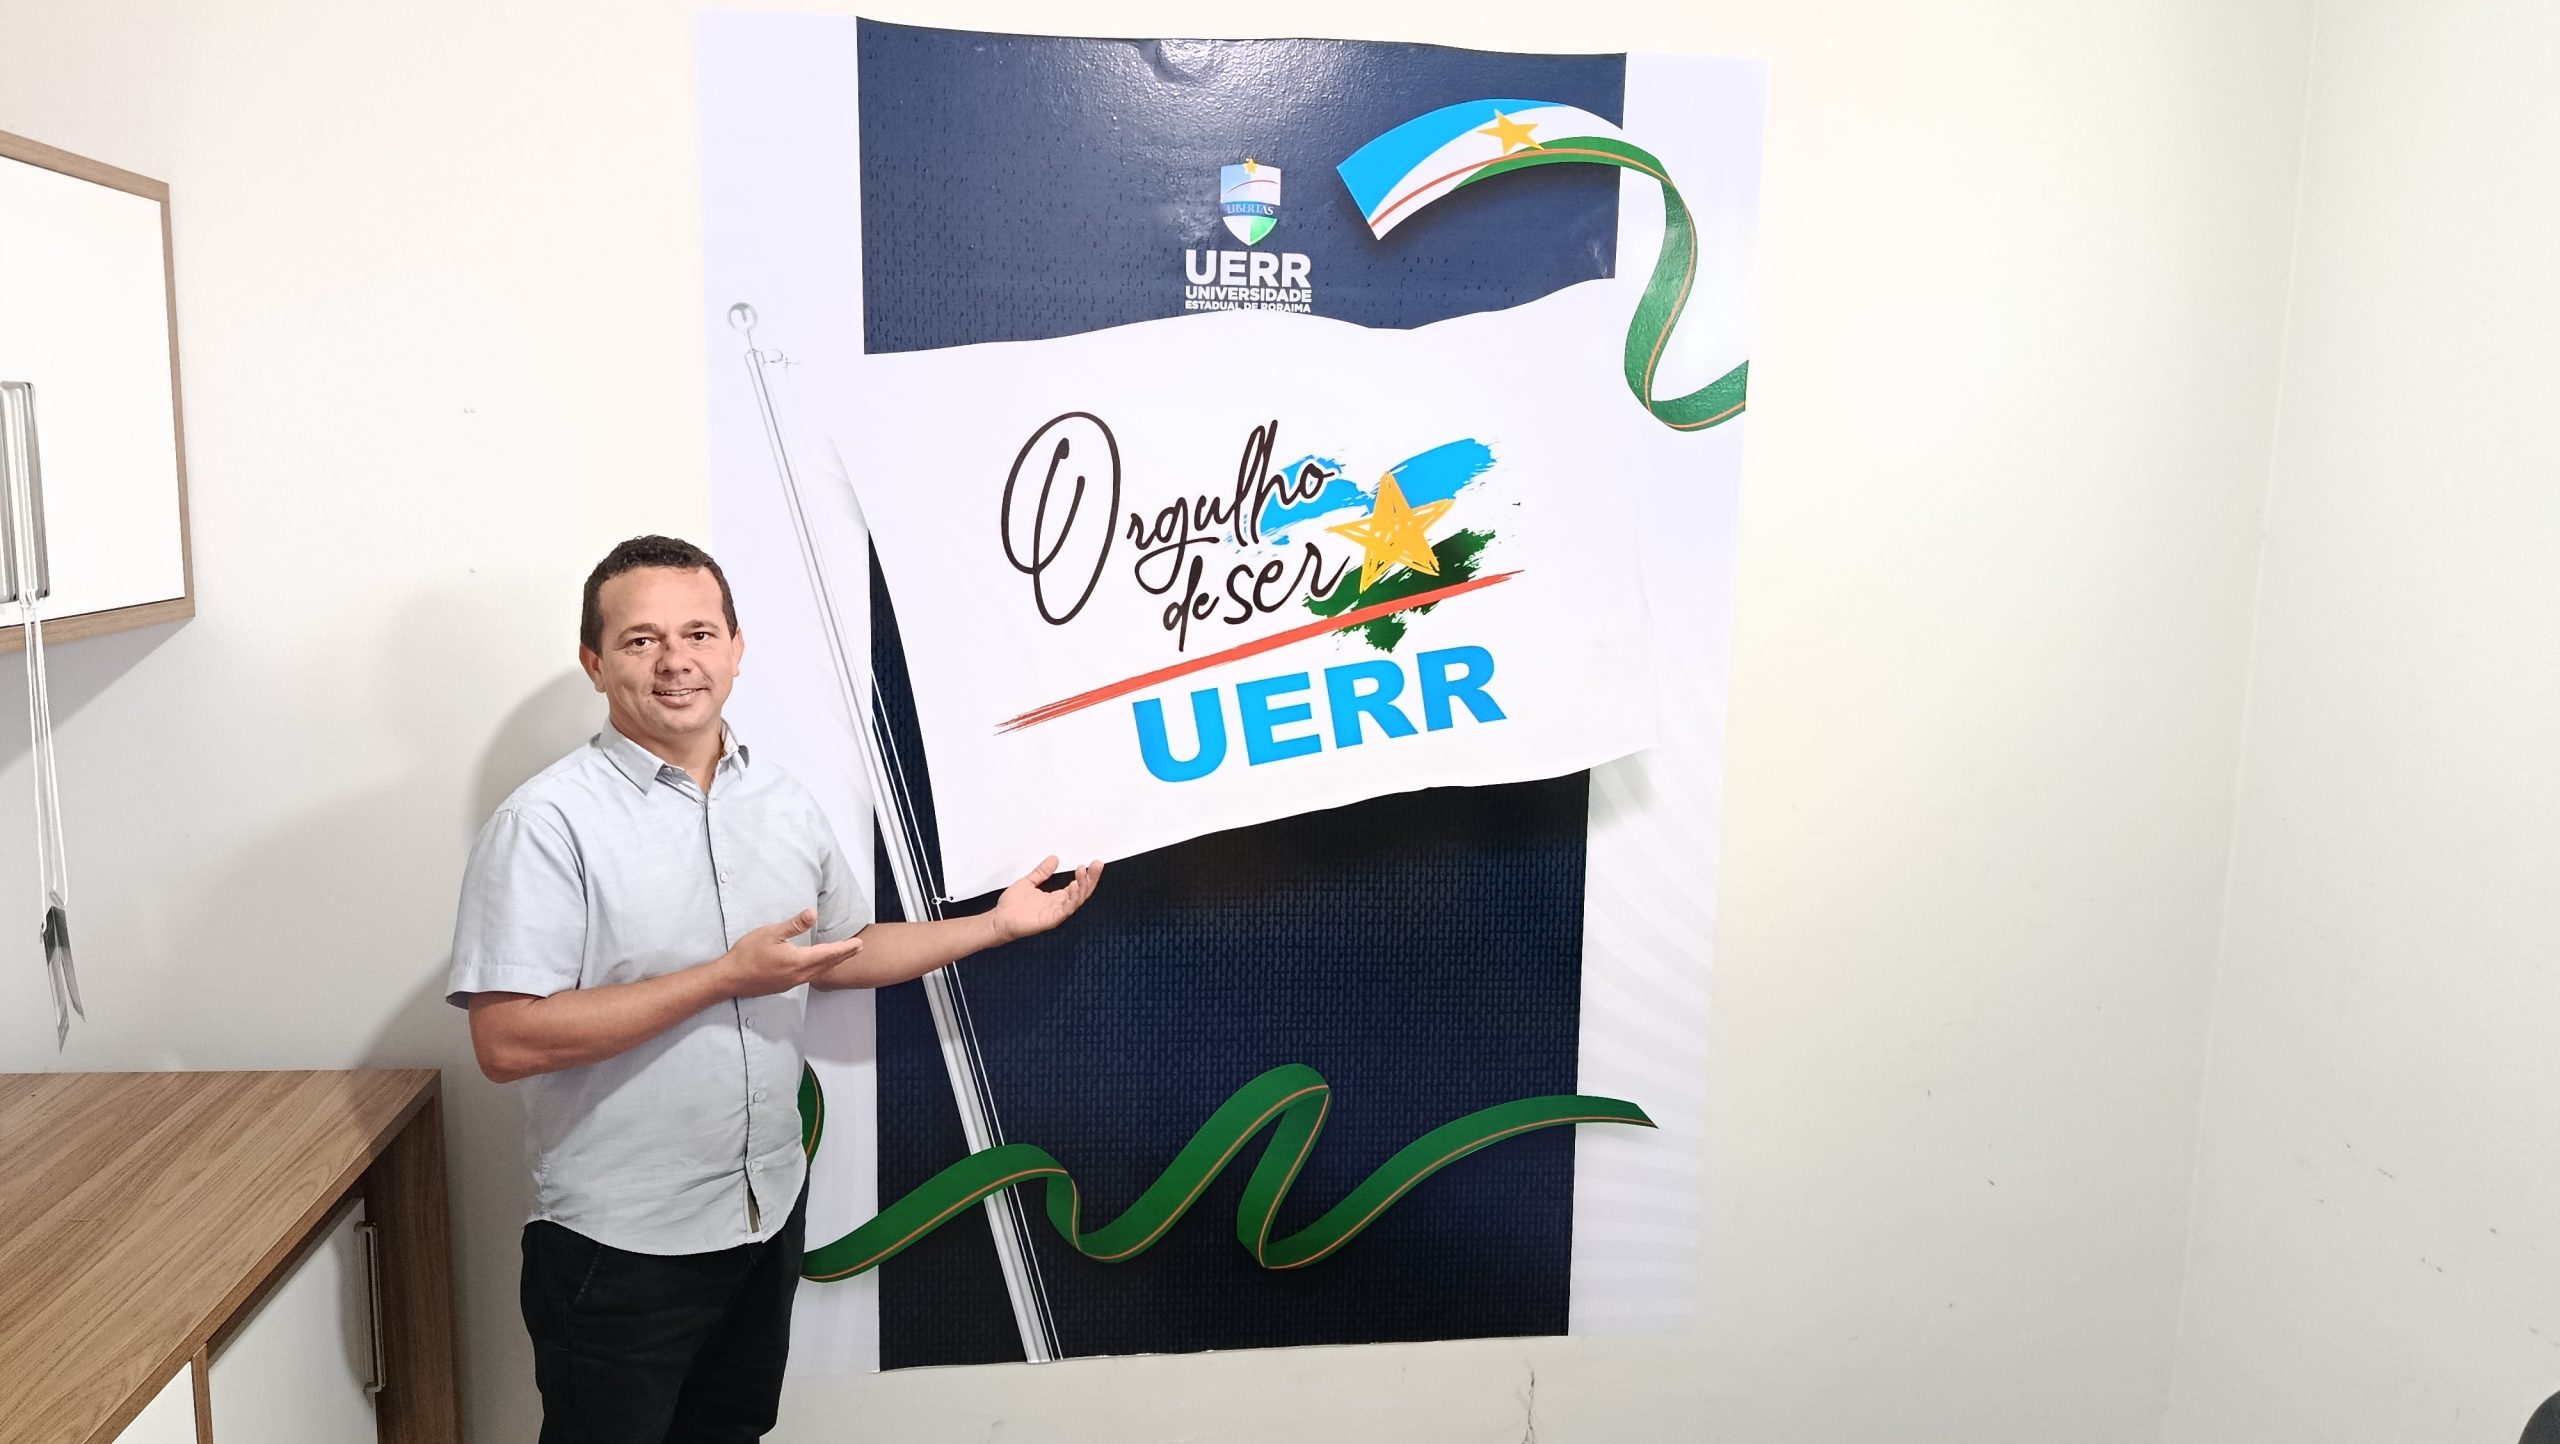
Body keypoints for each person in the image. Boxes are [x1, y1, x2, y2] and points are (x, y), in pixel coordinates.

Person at [447, 534, 1101, 1444]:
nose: (675, 661)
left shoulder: (782, 800)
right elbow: (507, 1041)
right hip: (621, 1245)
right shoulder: (546, 823)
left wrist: (995, 925)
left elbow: (843, 952)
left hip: (763, 1215)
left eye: (698, 633)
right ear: (595, 663)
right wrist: (722, 978)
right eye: (640, 640)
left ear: (736, 648)